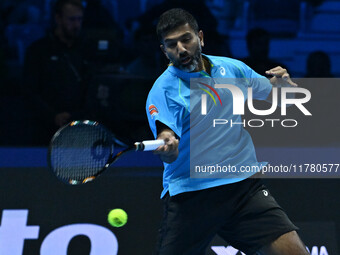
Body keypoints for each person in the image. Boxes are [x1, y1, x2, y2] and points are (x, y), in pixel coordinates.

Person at [146, 8, 310, 255]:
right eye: (172, 45)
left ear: (200, 37)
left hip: (243, 189)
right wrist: (167, 147)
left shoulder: (232, 69)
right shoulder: (163, 91)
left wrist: (285, 88)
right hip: (192, 197)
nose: (181, 49)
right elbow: (166, 138)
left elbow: (276, 97)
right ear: (164, 51)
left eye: (186, 39)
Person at [23, 0, 90, 145]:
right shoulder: (38, 50)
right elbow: (30, 90)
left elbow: (91, 88)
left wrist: (76, 115)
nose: (76, 25)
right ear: (58, 19)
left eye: (80, 19)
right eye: (72, 19)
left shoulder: (87, 50)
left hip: (81, 128)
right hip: (44, 129)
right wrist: (53, 115)